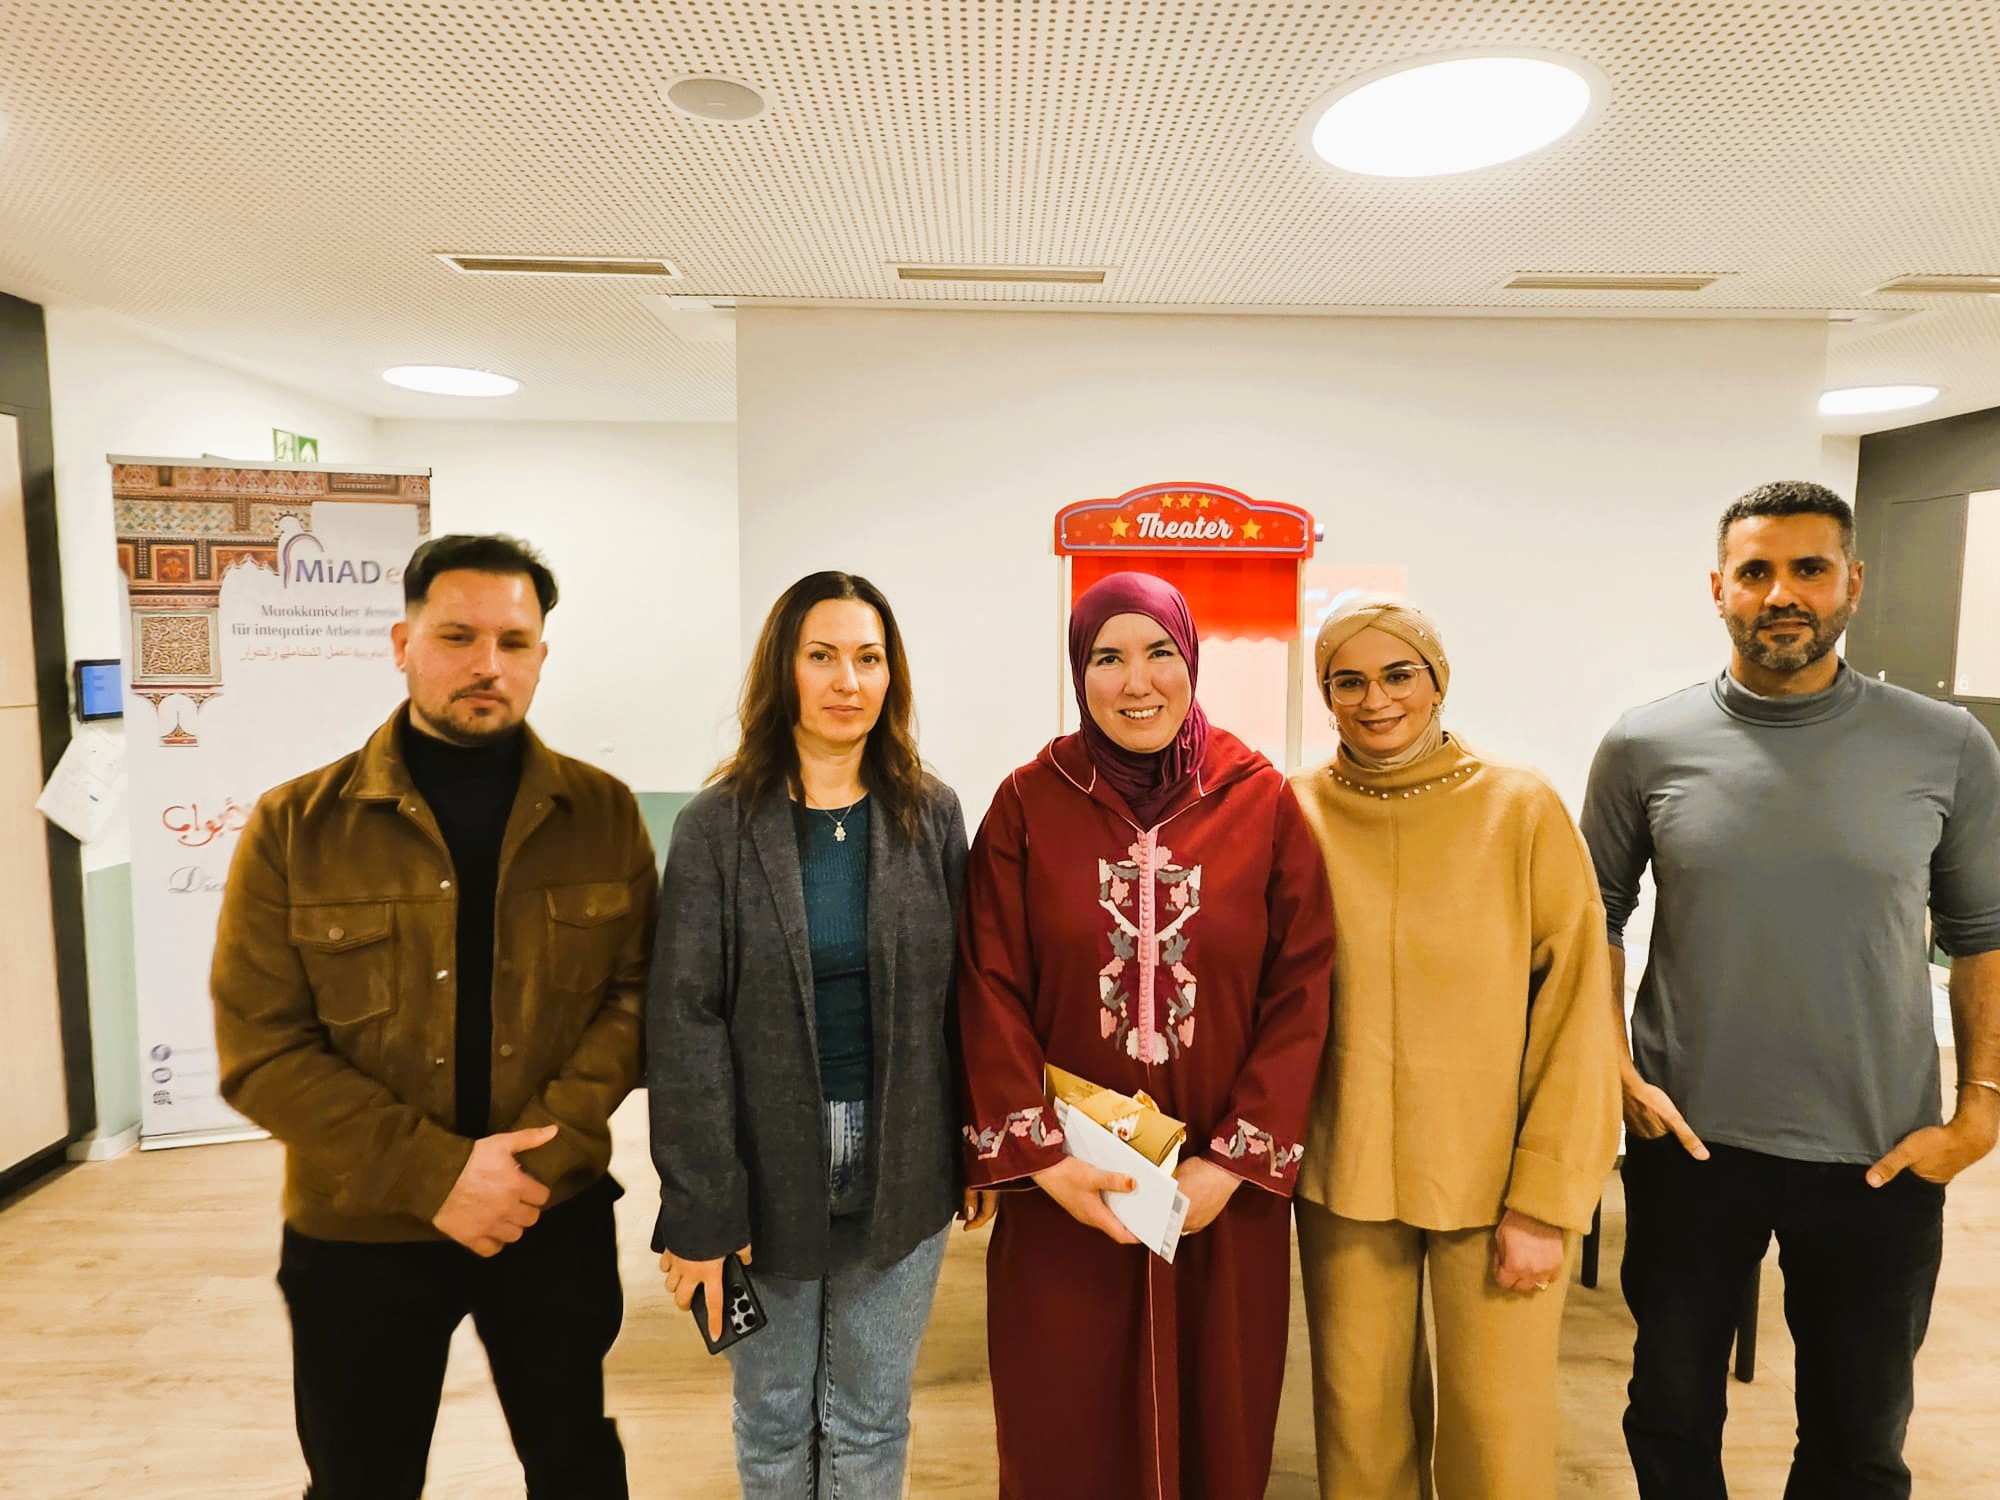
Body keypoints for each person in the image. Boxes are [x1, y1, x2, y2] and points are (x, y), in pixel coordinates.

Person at [211, 533, 657, 1499]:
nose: (487, 663)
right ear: (403, 642)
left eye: (514, 641)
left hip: (549, 1218)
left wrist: (523, 1168)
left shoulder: (603, 813)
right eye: (458, 636)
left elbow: (635, 1003)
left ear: (541, 656)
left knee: (577, 1468)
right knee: (359, 1479)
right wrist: (438, 1173)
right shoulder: (295, 826)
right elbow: (261, 1048)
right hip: (359, 1232)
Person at [1581, 480, 2000, 1500]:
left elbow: (1984, 934)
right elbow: (1590, 916)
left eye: (1808, 569)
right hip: (1688, 1143)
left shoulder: (1945, 745)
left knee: (1858, 1440)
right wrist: (1616, 1071)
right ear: (1717, 588)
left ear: (1851, 582)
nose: (1782, 594)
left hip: (1879, 1153)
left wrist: (1980, 1107)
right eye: (1755, 571)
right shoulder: (1643, 744)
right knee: (1670, 1414)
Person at [955, 570, 1336, 1500]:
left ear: (1191, 658)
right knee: (1064, 1419)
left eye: (1160, 652)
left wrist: (1231, 1165)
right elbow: (987, 983)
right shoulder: (1026, 805)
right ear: (1077, 671)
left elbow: (1303, 987)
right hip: (1069, 1192)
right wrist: (1046, 1161)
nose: (1138, 682)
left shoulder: (1260, 801)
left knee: (1218, 1416)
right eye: (1107, 658)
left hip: (1220, 1192)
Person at [647, 570, 982, 1500]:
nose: (847, 681)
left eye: (868, 658)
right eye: (822, 656)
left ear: (891, 675)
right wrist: (701, 1209)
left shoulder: (930, 812)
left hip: (904, 1158)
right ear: (783, 671)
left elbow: (965, 998)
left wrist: (977, 1145)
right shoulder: (716, 826)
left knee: (872, 1417)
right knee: (773, 1416)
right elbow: (683, 1024)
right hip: (760, 1165)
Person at [1288, 594, 1619, 1499]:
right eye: (1347, 681)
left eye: (1399, 674)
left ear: (1437, 680)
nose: (1376, 700)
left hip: (1497, 1181)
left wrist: (1547, 1200)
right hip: (1346, 1170)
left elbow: (1577, 1014)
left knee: (1497, 1431)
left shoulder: (1521, 808)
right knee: (1357, 1421)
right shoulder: (1295, 809)